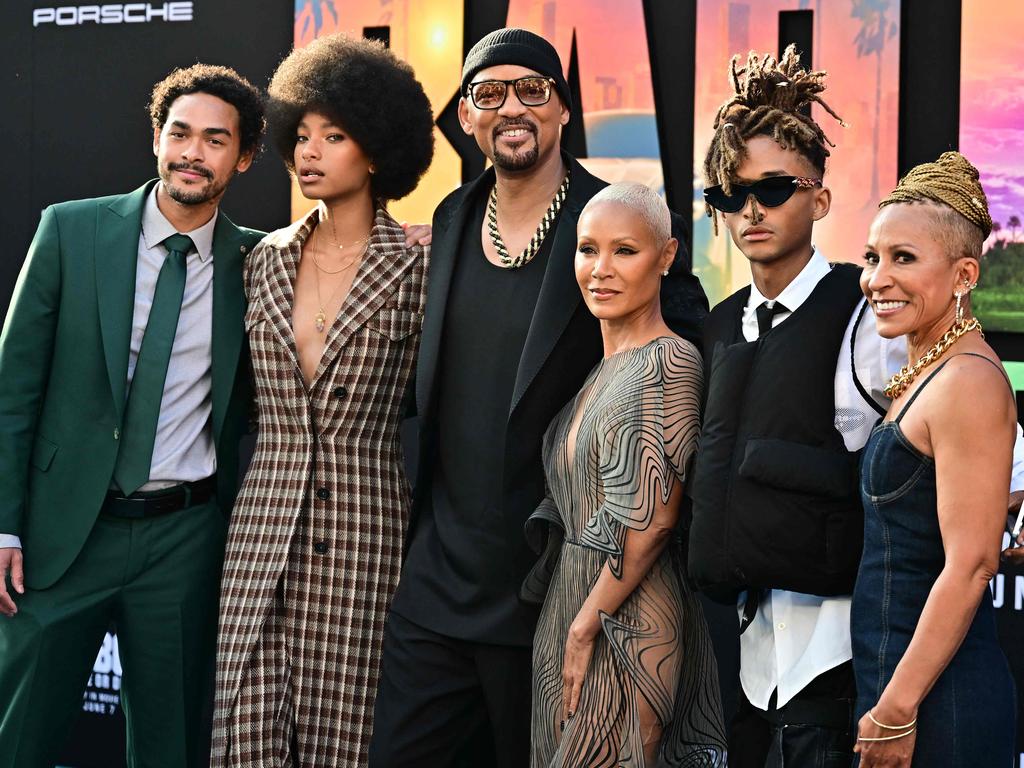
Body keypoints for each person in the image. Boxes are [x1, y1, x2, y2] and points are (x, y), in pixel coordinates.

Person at [369, 28, 709, 767]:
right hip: (435, 591)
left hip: (554, 597)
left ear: (562, 109)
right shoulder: (453, 218)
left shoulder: (613, 220)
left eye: (533, 89)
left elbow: (673, 369)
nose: (511, 107)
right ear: (465, 116)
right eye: (488, 93)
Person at [686, 48, 1024, 768]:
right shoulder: (722, 326)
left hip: (866, 676)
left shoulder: (876, 328)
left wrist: (1013, 503)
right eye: (729, 193)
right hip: (766, 669)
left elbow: (981, 522)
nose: (751, 209)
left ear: (818, 198)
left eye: (773, 188)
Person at [0, 64, 265, 767]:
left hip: (183, 540)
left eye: (214, 140)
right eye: (179, 133)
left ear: (241, 158)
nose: (191, 153)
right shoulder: (71, 230)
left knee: (169, 748)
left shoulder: (260, 262)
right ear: (155, 138)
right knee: (19, 737)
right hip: (62, 537)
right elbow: (12, 389)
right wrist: (4, 522)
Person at [210, 34, 435, 767]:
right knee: (244, 734)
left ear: (376, 151)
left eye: (332, 136)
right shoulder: (261, 262)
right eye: (300, 135)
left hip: (368, 528)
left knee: (350, 738)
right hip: (262, 524)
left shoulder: (418, 266)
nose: (309, 152)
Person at [527, 183, 726, 767]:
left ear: (665, 257)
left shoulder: (670, 360)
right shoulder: (601, 370)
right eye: (589, 250)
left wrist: (585, 628)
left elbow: (655, 521)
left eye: (625, 251)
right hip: (572, 611)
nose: (601, 270)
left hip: (625, 626)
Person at [851, 151, 1016, 767]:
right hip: (901, 682)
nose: (876, 278)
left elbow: (972, 566)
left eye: (904, 259)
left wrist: (896, 711)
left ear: (965, 274)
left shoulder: (966, 380)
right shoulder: (931, 369)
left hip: (936, 703)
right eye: (873, 257)